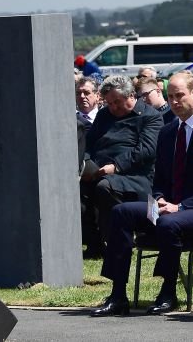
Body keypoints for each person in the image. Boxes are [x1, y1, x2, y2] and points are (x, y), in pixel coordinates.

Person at [91, 73, 193, 317]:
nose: (176, 102)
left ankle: (168, 292)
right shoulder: (168, 133)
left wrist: (182, 206)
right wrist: (157, 199)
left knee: (168, 223)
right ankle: (118, 294)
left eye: (181, 95)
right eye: (171, 97)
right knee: (121, 212)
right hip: (169, 205)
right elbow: (159, 179)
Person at [81, 75, 162, 256]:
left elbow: (146, 150)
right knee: (79, 188)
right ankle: (94, 243)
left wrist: (115, 166)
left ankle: (118, 241)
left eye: (117, 102)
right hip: (99, 170)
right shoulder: (104, 115)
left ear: (131, 95)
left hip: (135, 177)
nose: (113, 107)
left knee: (104, 187)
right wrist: (85, 163)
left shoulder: (150, 117)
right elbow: (89, 143)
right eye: (109, 103)